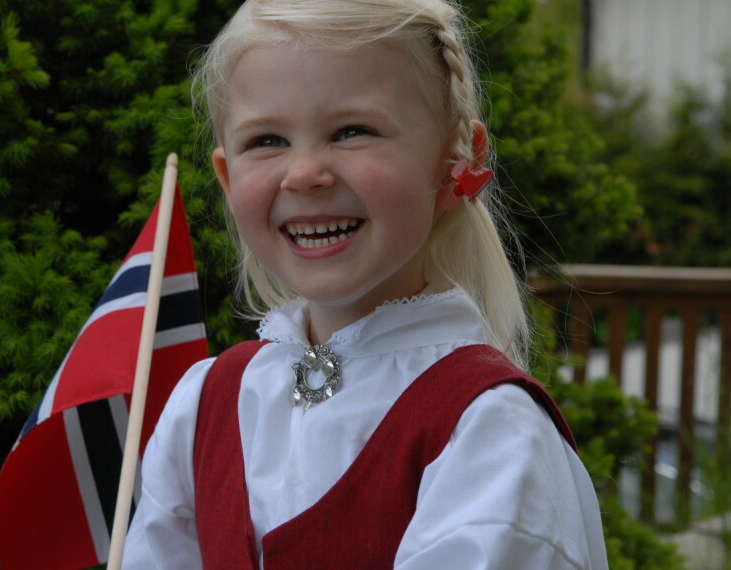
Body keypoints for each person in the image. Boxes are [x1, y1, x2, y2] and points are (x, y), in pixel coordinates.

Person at [122, 0, 609, 567]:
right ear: (227, 180)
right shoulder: (202, 404)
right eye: (267, 141)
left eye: (353, 131)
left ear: (455, 163)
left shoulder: (487, 428)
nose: (304, 174)